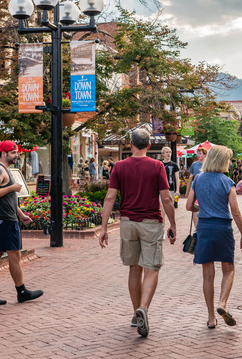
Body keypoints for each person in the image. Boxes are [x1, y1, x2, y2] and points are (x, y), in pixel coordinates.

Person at [98, 129, 177, 338]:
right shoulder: (157, 166)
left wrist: (104, 227)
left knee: (134, 268)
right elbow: (166, 198)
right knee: (152, 268)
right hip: (151, 222)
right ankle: (144, 308)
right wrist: (173, 224)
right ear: (149, 146)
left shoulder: (119, 167)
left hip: (128, 223)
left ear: (130, 144)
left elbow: (109, 198)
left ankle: (136, 313)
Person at [185, 145, 242, 330]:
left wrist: (201, 209)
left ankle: (211, 318)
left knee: (208, 274)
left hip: (204, 227)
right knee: (228, 269)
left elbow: (189, 206)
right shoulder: (227, 182)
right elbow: (235, 211)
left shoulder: (198, 178)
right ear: (223, 161)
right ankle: (222, 303)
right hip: (223, 228)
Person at [0, 141, 43, 307]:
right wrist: (12, 188)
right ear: (2, 154)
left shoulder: (5, 170)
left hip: (1, 219)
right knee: (15, 255)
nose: (16, 155)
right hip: (4, 221)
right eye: (12, 152)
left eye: (16, 152)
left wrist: (21, 215)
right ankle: (21, 291)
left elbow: (9, 200)